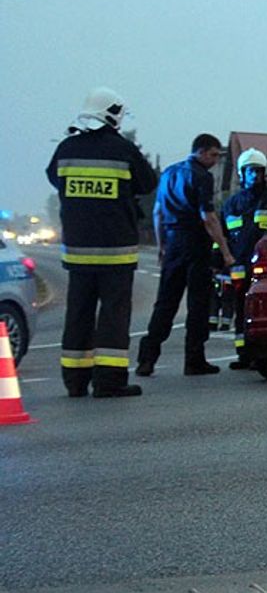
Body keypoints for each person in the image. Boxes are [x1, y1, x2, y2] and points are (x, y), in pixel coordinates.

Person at [45, 87, 158, 398]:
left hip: (78, 252)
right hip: (115, 251)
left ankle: (75, 380)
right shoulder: (123, 150)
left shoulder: (67, 148)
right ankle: (109, 380)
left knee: (78, 313)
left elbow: (53, 178)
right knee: (113, 315)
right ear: (114, 113)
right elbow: (148, 182)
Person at [136, 134, 234, 376]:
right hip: (196, 242)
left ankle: (147, 359)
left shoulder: (169, 173)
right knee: (198, 304)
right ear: (200, 152)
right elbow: (208, 217)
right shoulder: (201, 176)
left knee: (165, 303)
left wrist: (162, 246)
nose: (215, 160)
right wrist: (225, 251)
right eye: (213, 155)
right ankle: (194, 359)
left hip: (172, 242)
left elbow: (158, 212)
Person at [221, 148, 267, 369]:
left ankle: (265, 353)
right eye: (250, 171)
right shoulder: (232, 204)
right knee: (241, 308)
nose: (255, 176)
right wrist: (219, 263)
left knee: (265, 307)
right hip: (239, 266)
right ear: (242, 173)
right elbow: (221, 237)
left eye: (259, 171)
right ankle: (244, 354)